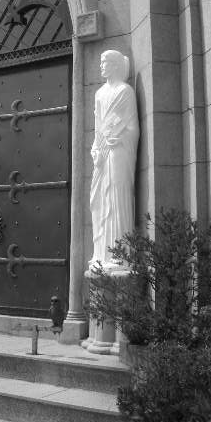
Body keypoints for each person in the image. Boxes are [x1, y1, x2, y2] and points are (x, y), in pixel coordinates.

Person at [90, 50, 139, 267]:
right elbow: (98, 128)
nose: (101, 66)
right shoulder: (99, 93)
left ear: (116, 65)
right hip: (102, 153)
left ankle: (121, 255)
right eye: (101, 62)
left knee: (117, 197)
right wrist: (95, 150)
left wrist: (121, 139)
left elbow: (133, 128)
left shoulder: (125, 91)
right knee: (98, 199)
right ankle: (101, 253)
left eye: (105, 62)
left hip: (119, 152)